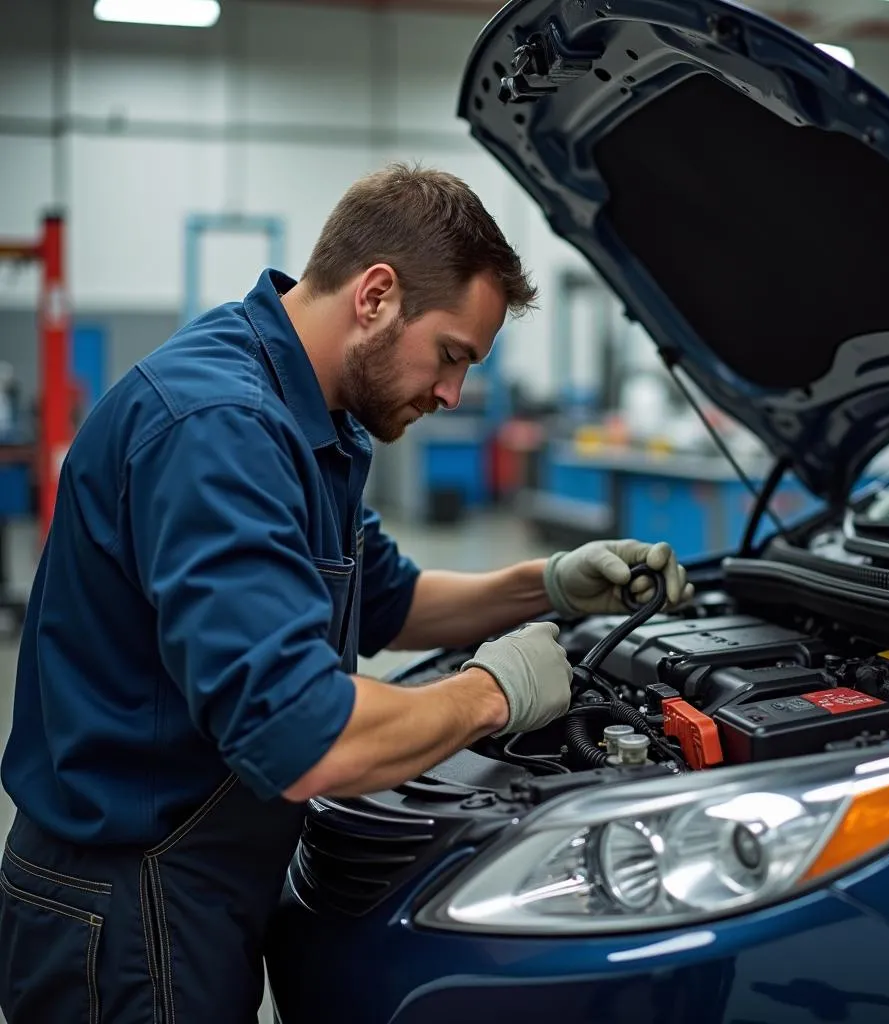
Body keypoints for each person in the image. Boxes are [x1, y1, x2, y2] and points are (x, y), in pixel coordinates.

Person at [0, 164, 691, 1023]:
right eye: (451, 355)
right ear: (375, 295)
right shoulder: (222, 428)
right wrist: (491, 693)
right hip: (130, 900)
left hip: (192, 881)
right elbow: (303, 738)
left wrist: (548, 585)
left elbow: (390, 600)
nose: (452, 393)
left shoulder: (307, 420)